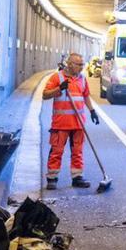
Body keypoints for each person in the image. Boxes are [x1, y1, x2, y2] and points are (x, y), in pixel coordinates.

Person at [43, 52, 99, 189]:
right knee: (56, 151)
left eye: (82, 64)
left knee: (77, 151)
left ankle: (77, 177)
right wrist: (59, 88)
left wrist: (92, 111)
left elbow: (85, 96)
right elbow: (45, 95)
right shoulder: (57, 77)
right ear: (69, 64)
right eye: (78, 64)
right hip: (61, 123)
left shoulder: (83, 79)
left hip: (78, 123)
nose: (81, 67)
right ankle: (52, 177)